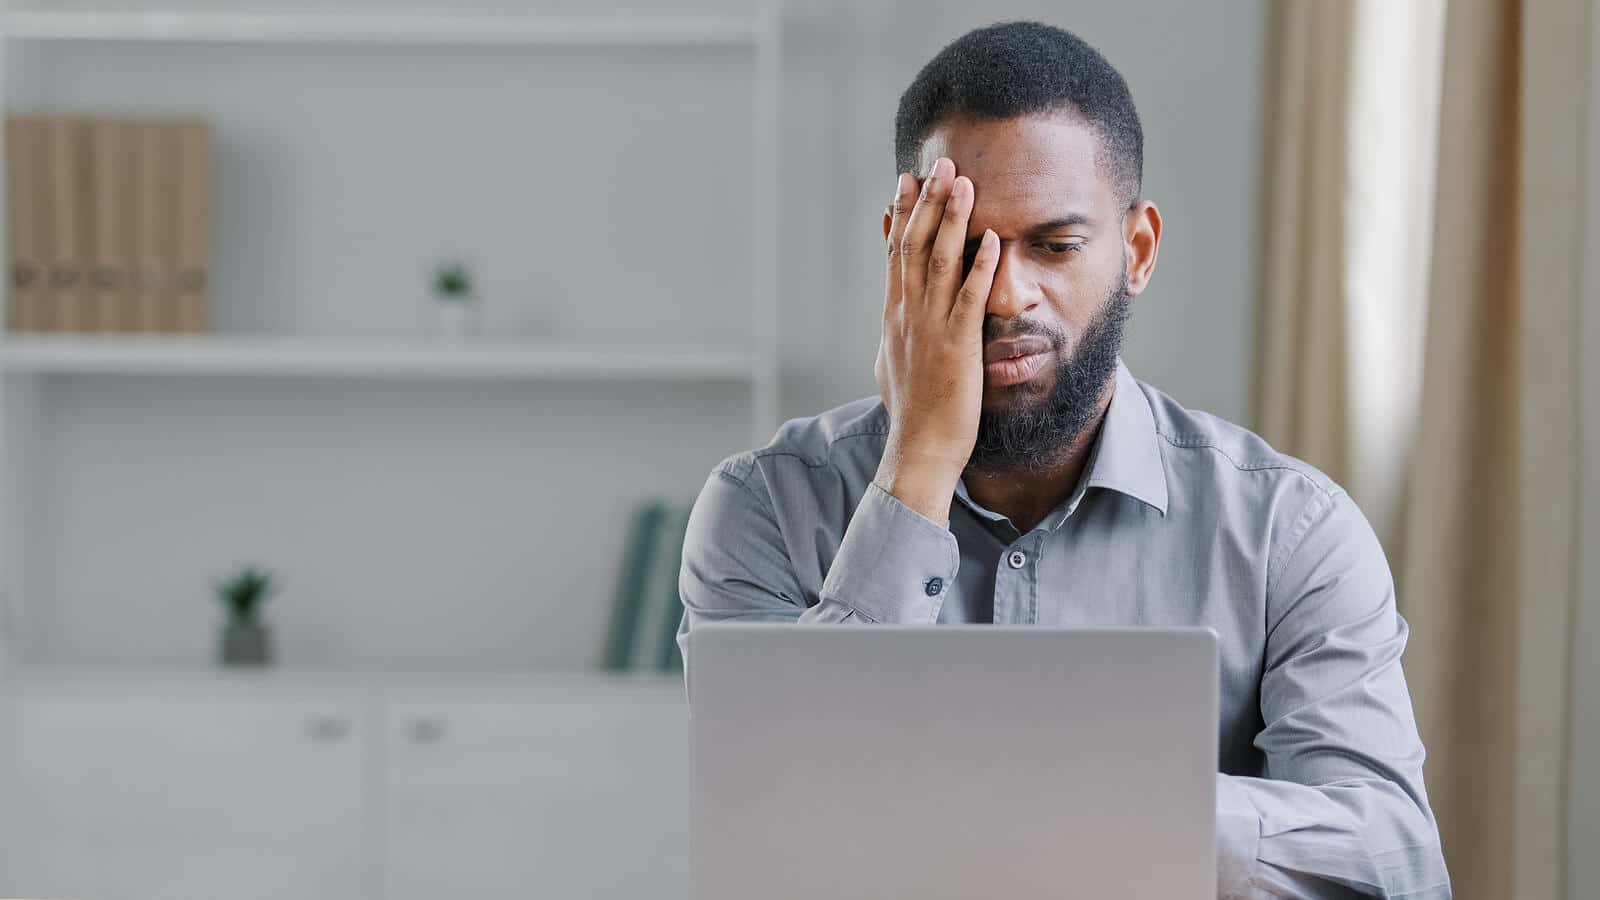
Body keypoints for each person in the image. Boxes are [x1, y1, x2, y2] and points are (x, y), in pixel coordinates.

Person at [675, 20, 1449, 899]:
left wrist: (1079, 809)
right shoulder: (764, 508)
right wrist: (919, 460)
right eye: (964, 246)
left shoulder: (1290, 531)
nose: (1006, 293)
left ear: (1138, 252)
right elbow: (774, 845)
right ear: (901, 247)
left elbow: (1394, 866)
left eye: (1054, 245)